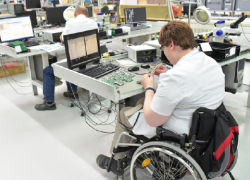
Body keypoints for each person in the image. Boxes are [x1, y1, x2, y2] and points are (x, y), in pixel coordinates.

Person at [96, 21, 225, 172]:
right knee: (141, 102)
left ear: (171, 45)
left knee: (124, 114)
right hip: (207, 128)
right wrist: (169, 71)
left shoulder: (176, 77)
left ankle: (117, 163)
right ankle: (135, 147)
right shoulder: (210, 63)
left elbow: (152, 120)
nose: (164, 51)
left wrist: (149, 86)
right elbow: (192, 81)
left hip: (181, 132)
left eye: (163, 47)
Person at [35, 6, 98, 111]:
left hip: (75, 60)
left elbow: (63, 38)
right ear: (87, 15)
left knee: (48, 71)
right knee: (73, 64)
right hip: (89, 59)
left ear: (74, 14)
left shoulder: (71, 23)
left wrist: (62, 36)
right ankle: (72, 92)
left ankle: (49, 103)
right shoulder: (93, 22)